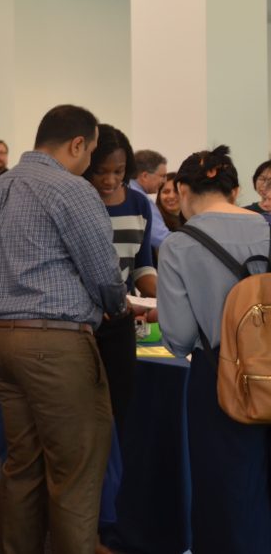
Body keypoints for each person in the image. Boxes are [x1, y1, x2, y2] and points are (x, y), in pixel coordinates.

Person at [0, 104, 124, 554]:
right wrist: (116, 305)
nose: (90, 162)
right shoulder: (70, 189)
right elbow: (103, 272)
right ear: (78, 144)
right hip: (55, 345)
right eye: (91, 152)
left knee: (22, 467)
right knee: (75, 474)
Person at [157, 145, 271, 553]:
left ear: (183, 190)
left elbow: (181, 336)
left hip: (220, 376)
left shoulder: (178, 245)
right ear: (234, 190)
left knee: (224, 489)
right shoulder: (266, 227)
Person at [83, 125, 156, 433]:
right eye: (101, 172)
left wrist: (160, 298)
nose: (110, 180)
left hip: (120, 323)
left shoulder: (139, 205)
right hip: (82, 320)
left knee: (118, 412)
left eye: (119, 171)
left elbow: (142, 265)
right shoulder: (78, 202)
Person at [130, 149, 170, 251]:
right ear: (145, 176)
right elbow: (163, 239)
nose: (165, 181)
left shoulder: (125, 191)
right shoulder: (141, 199)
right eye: (162, 176)